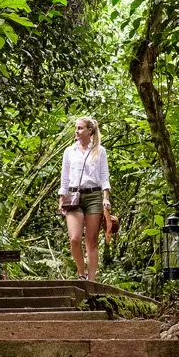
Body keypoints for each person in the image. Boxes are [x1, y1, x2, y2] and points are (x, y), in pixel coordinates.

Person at [58, 116, 111, 282]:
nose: (77, 131)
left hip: (94, 196)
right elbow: (64, 177)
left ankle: (92, 280)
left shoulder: (99, 151)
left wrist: (105, 197)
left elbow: (104, 176)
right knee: (74, 238)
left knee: (91, 240)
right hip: (73, 196)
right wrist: (61, 197)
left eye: (80, 128)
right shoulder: (69, 151)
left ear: (90, 131)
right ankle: (81, 273)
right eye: (76, 128)